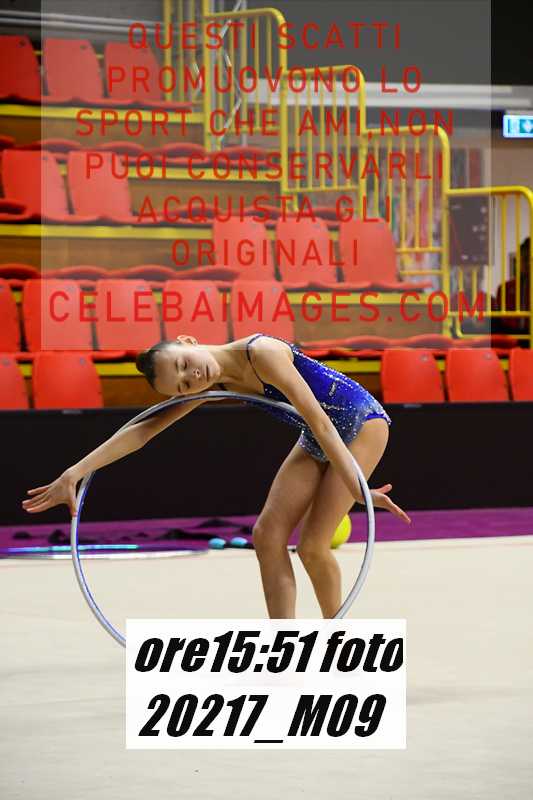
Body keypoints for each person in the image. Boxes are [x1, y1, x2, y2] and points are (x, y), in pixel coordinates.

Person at [23, 332, 410, 619]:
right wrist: (75, 472)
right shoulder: (213, 383)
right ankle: (286, 645)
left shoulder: (262, 352)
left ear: (187, 341)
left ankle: (340, 640)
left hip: (362, 424)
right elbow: (143, 431)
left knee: (313, 546)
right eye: (183, 386)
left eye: (183, 364)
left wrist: (357, 488)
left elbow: (322, 422)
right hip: (316, 436)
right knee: (266, 535)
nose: (192, 377)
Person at [495, 236, 530, 336]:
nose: (529, 264)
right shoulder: (504, 288)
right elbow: (499, 320)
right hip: (510, 336)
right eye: (525, 259)